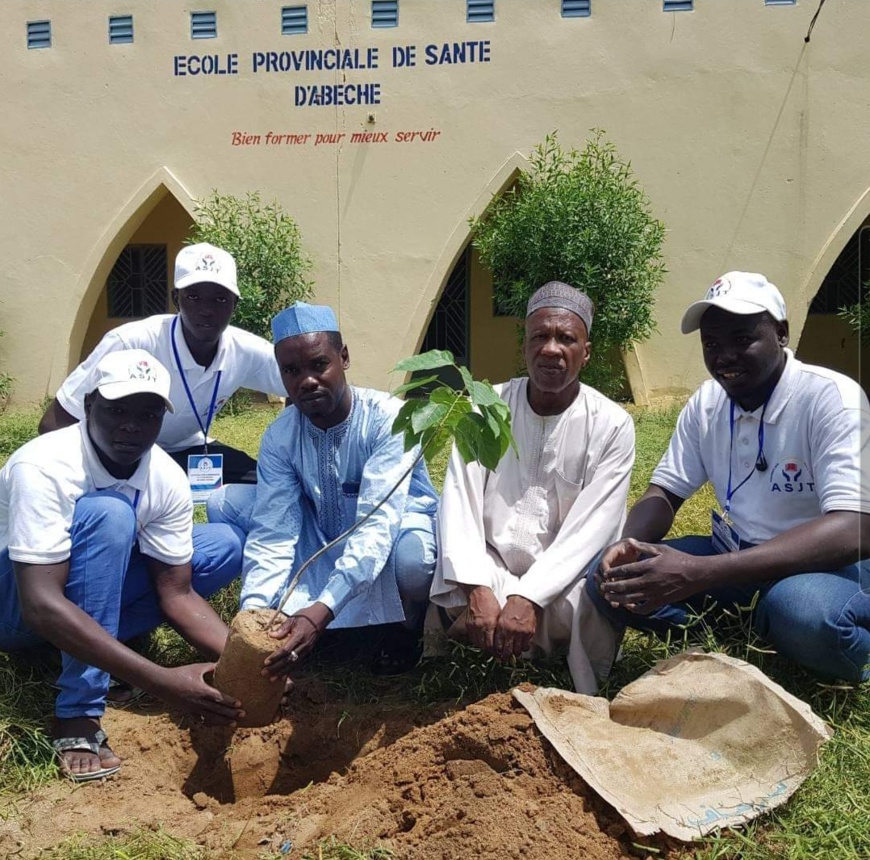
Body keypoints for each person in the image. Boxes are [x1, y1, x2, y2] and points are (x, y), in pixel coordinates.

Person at [590, 271, 870, 683]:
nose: (725, 357)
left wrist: (700, 572)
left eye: (742, 339)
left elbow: (854, 529)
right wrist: (626, 544)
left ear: (781, 333)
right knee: (609, 581)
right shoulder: (707, 403)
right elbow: (664, 492)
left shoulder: (831, 399)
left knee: (802, 613)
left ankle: (843, 648)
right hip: (738, 558)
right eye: (712, 344)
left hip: (830, 568)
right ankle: (745, 637)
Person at [0, 349, 246, 781]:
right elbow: (39, 604)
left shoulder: (164, 476)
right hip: (16, 606)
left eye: (148, 415)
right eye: (117, 410)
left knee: (223, 544)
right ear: (88, 405)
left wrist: (246, 668)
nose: (132, 426)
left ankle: (74, 646)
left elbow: (177, 593)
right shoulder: (42, 465)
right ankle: (78, 711)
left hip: (78, 588)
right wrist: (161, 681)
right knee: (110, 514)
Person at [207, 301, 439, 674]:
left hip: (391, 530)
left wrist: (321, 611)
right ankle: (293, 613)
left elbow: (375, 526)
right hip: (321, 532)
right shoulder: (281, 435)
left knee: (414, 565)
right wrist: (253, 617)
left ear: (343, 357)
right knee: (223, 502)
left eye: (318, 365)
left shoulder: (387, 420)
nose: (307, 381)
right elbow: (274, 530)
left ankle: (407, 624)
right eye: (291, 370)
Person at [430, 281, 635, 694]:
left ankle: (548, 661)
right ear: (524, 346)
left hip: (564, 579)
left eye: (566, 339)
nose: (551, 349)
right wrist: (477, 587)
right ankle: (479, 637)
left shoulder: (612, 425)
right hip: (489, 565)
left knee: (591, 598)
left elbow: (593, 529)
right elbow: (459, 500)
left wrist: (530, 597)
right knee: (443, 572)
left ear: (586, 352)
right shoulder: (486, 408)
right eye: (540, 336)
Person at [39, 242, 286, 484]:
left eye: (220, 299)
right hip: (127, 454)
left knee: (267, 480)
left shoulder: (244, 349)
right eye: (194, 296)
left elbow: (299, 381)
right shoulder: (131, 341)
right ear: (176, 299)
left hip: (189, 450)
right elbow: (53, 423)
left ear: (235, 304)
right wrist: (93, 473)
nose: (206, 310)